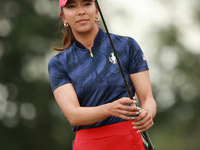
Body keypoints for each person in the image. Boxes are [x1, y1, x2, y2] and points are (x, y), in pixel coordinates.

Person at [48, 0, 157, 149]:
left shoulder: (127, 46)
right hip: (88, 145)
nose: (81, 11)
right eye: (72, 6)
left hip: (129, 141)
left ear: (97, 11)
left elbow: (147, 98)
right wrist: (109, 109)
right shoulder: (58, 63)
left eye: (86, 4)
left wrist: (147, 112)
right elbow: (73, 116)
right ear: (64, 17)